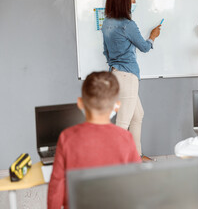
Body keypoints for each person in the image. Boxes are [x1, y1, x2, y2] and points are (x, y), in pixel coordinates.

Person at [47, 71, 141, 209]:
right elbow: (138, 183)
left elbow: (57, 185)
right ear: (117, 106)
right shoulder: (125, 138)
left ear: (80, 103)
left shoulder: (67, 137)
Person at [102, 0, 161, 158]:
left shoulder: (107, 23)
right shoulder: (128, 24)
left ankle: (136, 156)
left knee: (137, 115)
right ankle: (117, 164)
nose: (135, 1)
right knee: (123, 123)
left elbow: (106, 51)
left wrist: (115, 65)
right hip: (128, 76)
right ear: (124, 0)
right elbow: (143, 47)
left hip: (116, 74)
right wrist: (152, 37)